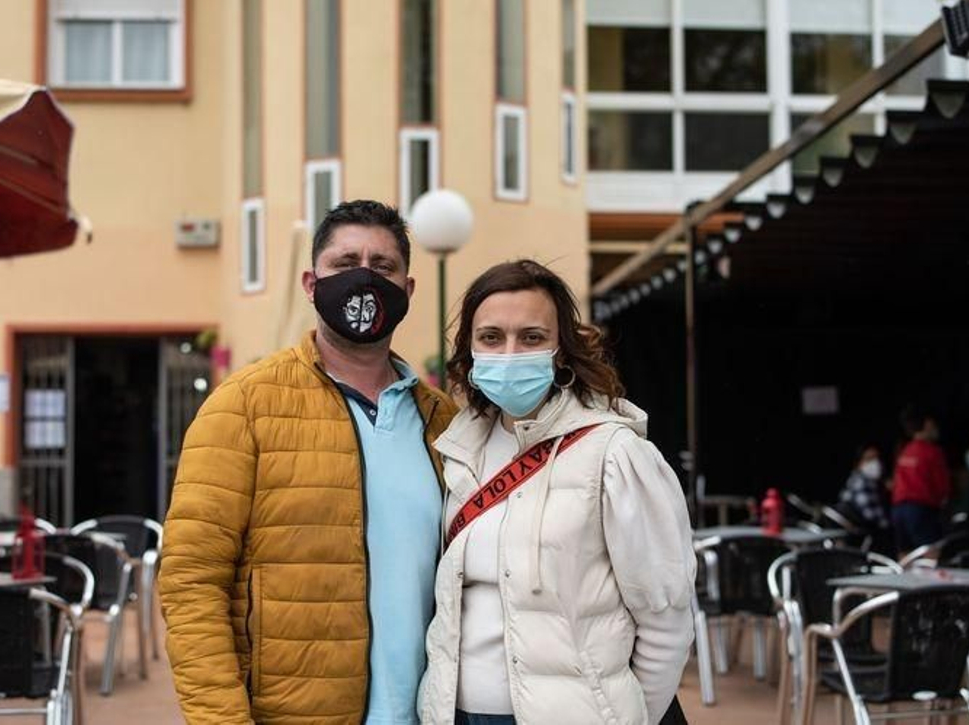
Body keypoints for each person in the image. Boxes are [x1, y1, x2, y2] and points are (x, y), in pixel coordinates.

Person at [159, 200, 457, 724]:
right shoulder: (244, 406)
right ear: (311, 282)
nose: (364, 276)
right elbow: (191, 581)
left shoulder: (443, 423)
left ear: (408, 290)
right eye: (346, 264)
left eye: (383, 266)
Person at [417, 260, 695, 725]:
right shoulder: (460, 451)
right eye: (491, 337)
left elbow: (667, 620)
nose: (509, 353)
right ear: (470, 349)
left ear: (561, 351)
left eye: (531, 337)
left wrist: (621, 716)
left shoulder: (615, 453)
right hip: (457, 713)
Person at [890, 405, 950, 554]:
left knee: (905, 558)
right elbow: (942, 487)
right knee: (930, 557)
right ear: (928, 424)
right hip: (921, 511)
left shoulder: (905, 450)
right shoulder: (933, 452)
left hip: (898, 511)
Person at [836, 443, 890, 537]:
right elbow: (873, 517)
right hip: (863, 534)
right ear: (859, 463)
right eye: (869, 459)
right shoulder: (861, 482)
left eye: (877, 458)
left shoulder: (870, 482)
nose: (875, 463)